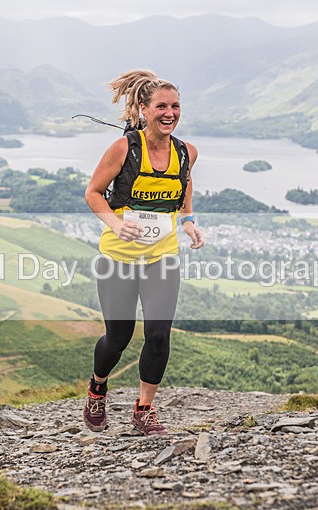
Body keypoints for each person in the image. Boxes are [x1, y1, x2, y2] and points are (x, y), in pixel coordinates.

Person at [82, 69, 204, 435]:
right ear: (143, 109)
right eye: (161, 106)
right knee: (118, 337)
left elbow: (183, 188)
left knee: (158, 335)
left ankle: (144, 410)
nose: (170, 113)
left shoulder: (186, 152)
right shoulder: (124, 148)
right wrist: (116, 224)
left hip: (161, 258)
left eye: (176, 106)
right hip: (118, 258)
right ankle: (98, 386)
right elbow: (93, 193)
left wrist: (188, 222)